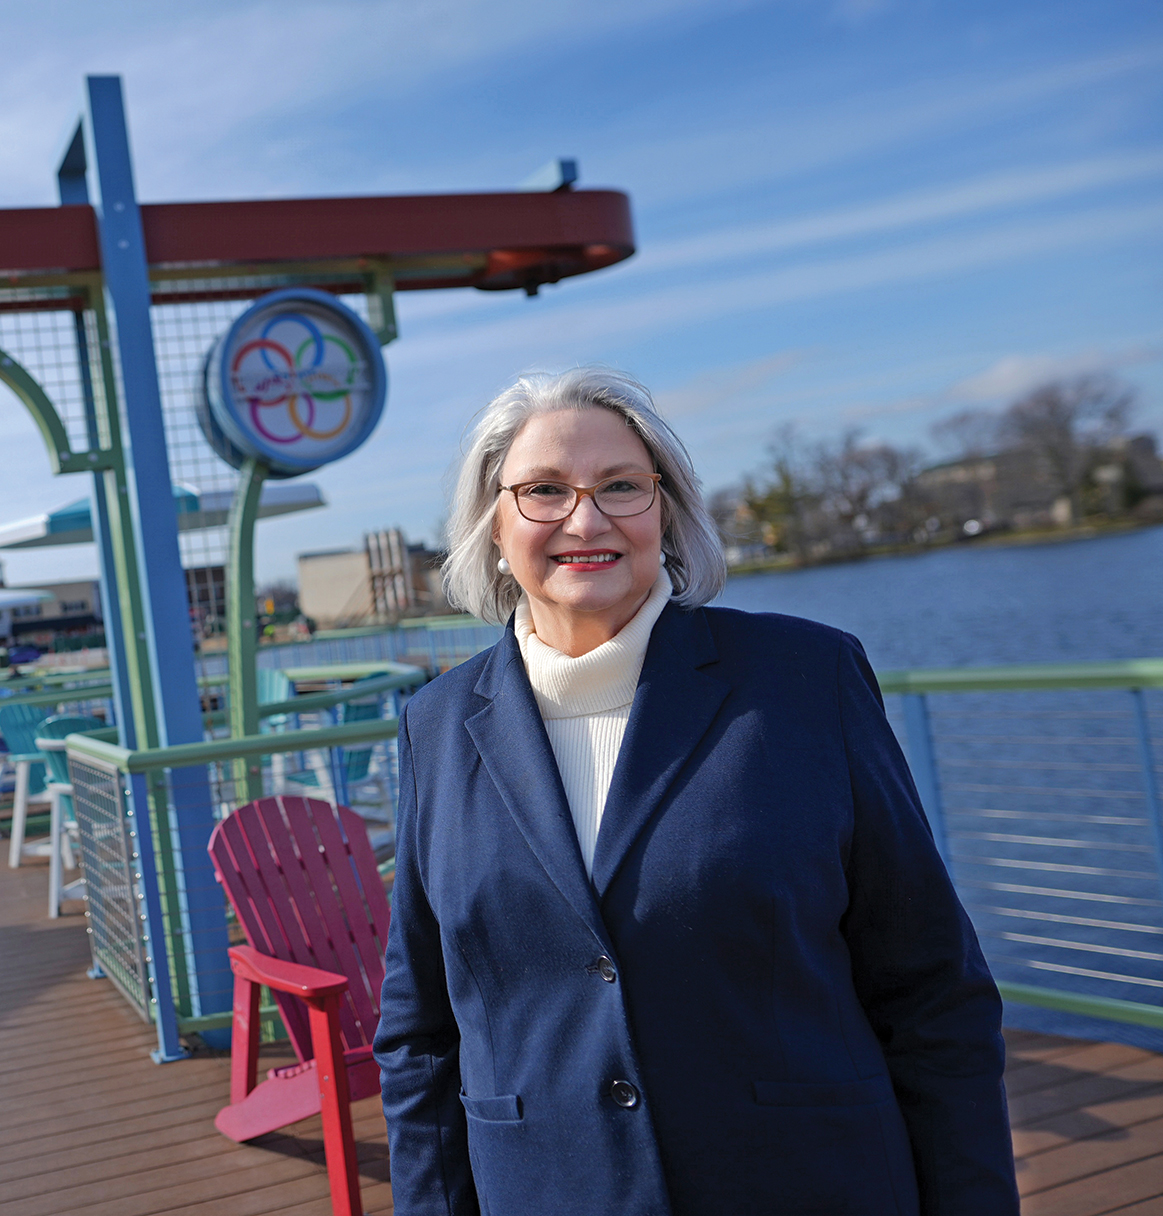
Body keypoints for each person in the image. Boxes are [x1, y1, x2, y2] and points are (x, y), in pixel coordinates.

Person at [373, 367, 1016, 1215]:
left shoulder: (803, 679)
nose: (586, 519)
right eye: (543, 491)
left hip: (808, 1183)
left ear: (666, 510)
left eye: (621, 486)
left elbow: (932, 988)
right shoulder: (436, 725)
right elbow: (420, 1036)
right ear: (493, 524)